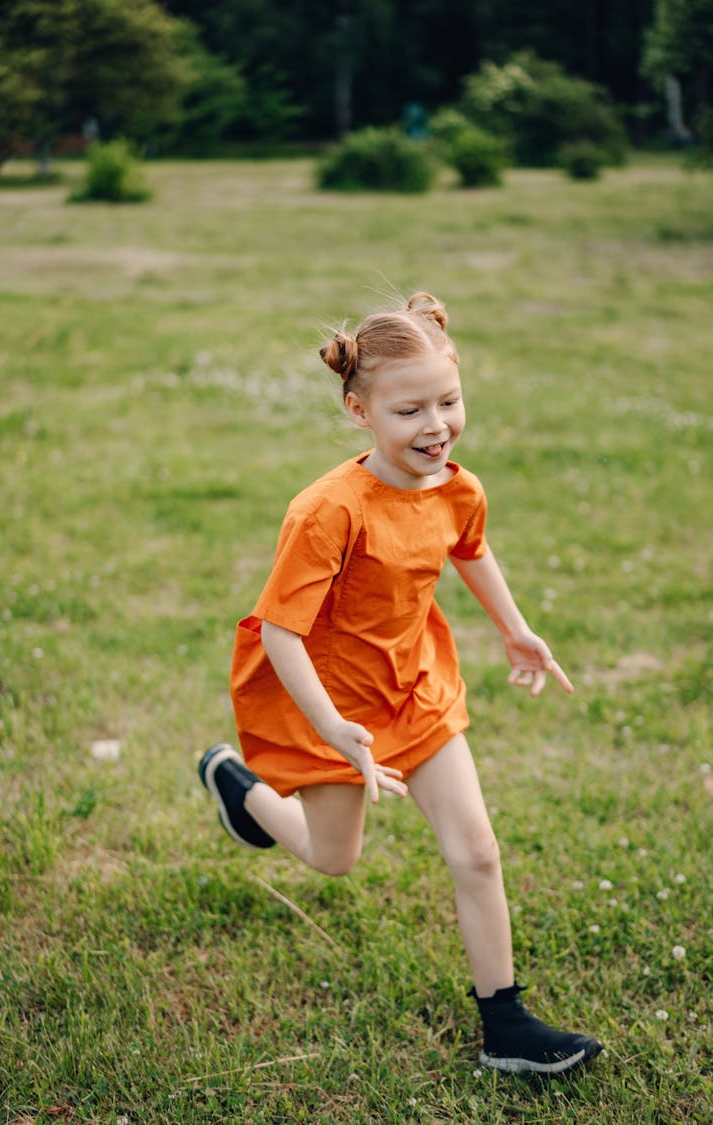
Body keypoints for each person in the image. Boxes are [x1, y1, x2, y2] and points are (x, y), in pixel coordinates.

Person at [199, 292, 603, 1075]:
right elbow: (278, 630)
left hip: (416, 688)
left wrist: (514, 627)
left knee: (477, 851)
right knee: (332, 856)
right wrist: (332, 727)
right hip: (330, 700)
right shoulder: (326, 511)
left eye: (449, 401)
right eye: (409, 409)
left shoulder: (457, 486)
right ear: (360, 411)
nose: (436, 425)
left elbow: (471, 550)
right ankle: (239, 786)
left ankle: (506, 1028)